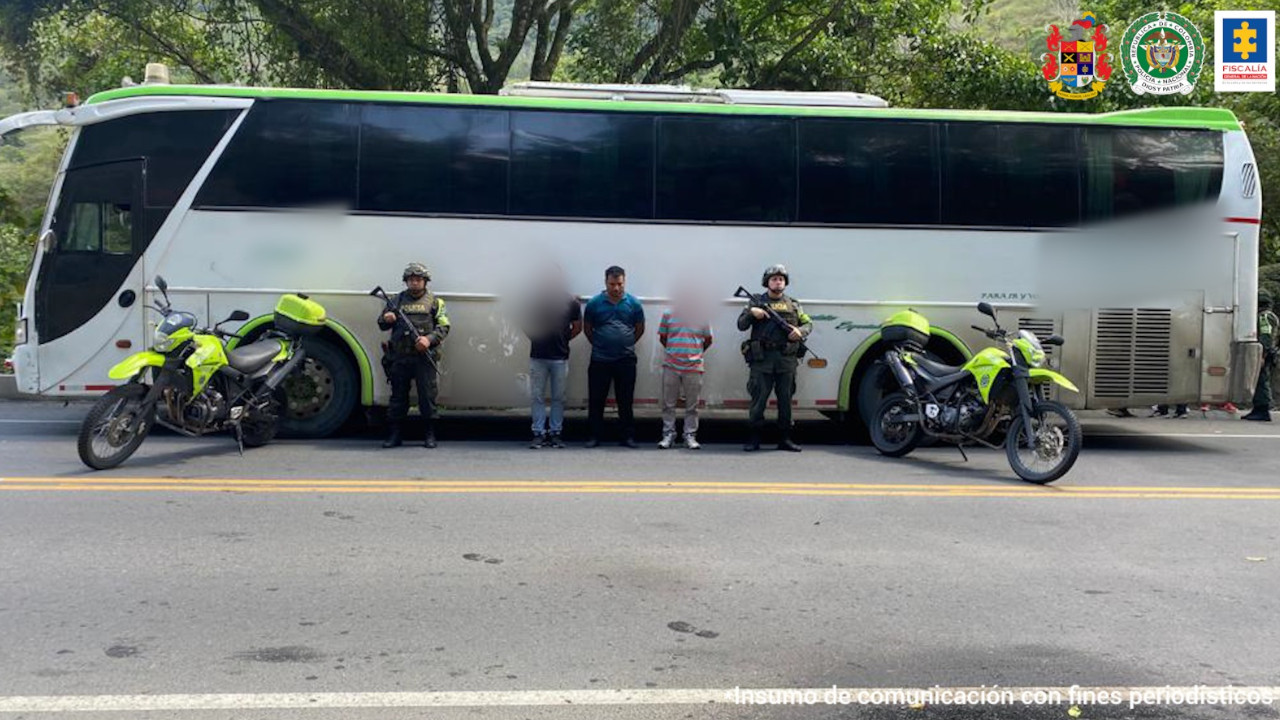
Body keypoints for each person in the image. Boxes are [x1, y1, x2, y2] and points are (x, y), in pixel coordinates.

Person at [738, 264, 812, 452]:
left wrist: (800, 331)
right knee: (758, 401)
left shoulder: (793, 304)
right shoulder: (756, 301)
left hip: (786, 360)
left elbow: (808, 323)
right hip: (762, 360)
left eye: (781, 279)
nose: (778, 282)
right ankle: (754, 439)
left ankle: (785, 439)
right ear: (767, 282)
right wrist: (751, 313)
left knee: (786, 401)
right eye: (774, 279)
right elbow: (741, 325)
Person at [378, 262, 450, 448]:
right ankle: (395, 435)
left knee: (427, 398)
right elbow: (382, 323)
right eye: (411, 280)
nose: (414, 283)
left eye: (418, 279)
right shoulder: (395, 301)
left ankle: (429, 435)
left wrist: (429, 339)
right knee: (397, 398)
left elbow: (444, 326)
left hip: (423, 358)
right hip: (400, 357)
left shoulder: (435, 302)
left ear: (425, 281)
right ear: (406, 282)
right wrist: (387, 318)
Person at [583, 266, 645, 448]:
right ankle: (594, 436)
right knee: (596, 400)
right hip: (600, 360)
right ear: (605, 282)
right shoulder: (594, 303)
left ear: (624, 282)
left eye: (619, 284)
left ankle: (627, 437)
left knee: (625, 401)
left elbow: (640, 329)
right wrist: (601, 344)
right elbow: (587, 329)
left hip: (625, 360)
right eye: (612, 284)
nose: (616, 288)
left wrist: (625, 343)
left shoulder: (633, 303)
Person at [522, 267, 582, 448]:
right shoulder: (536, 300)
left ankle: (556, 433)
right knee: (537, 397)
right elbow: (526, 324)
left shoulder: (571, 301)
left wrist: (563, 340)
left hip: (560, 357)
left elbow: (577, 326)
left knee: (558, 398)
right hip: (538, 356)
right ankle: (538, 433)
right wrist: (537, 337)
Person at [658, 286, 713, 450]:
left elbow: (708, 340)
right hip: (671, 365)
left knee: (692, 405)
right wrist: (674, 352)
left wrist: (695, 354)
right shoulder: (668, 314)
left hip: (694, 366)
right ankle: (668, 434)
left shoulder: (703, 316)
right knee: (668, 404)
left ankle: (690, 435)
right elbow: (663, 337)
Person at [1243, 290, 1278, 422]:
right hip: (1267, 352)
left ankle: (1262, 410)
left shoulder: (1264, 316)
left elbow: (1266, 336)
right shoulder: (1269, 315)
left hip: (1264, 352)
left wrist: (1262, 354)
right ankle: (1259, 409)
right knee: (1259, 381)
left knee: (1261, 382)